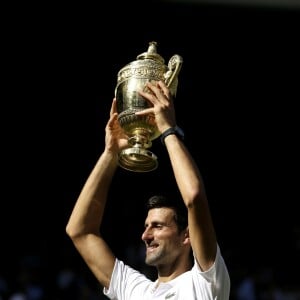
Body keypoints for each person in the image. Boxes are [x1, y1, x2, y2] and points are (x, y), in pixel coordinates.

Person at [66, 80, 231, 299]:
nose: (145, 235)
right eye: (146, 226)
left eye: (158, 226)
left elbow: (194, 197)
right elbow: (80, 231)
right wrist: (110, 154)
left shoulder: (206, 283)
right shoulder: (134, 289)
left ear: (186, 235)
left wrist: (168, 130)